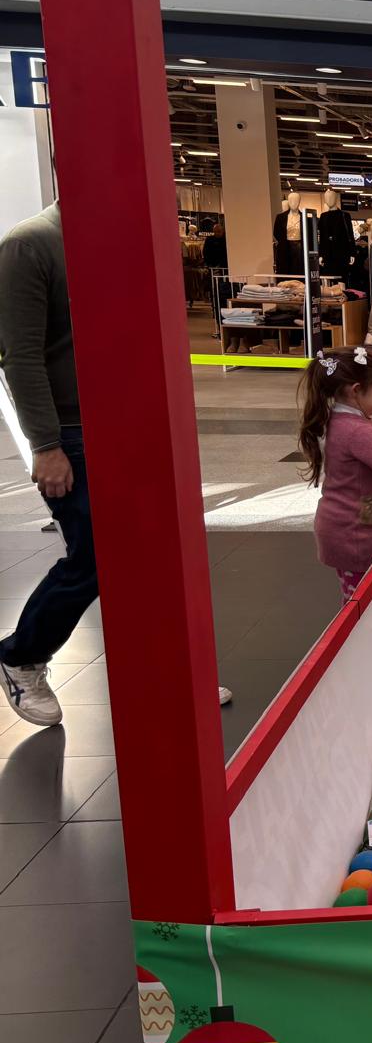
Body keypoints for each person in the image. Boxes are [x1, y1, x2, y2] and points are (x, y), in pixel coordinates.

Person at [0, 205, 234, 725]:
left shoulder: (125, 243)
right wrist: (44, 445)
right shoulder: (30, 245)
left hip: (132, 428)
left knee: (154, 556)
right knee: (95, 559)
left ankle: (169, 673)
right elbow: (20, 356)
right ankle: (22, 655)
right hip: (72, 433)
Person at [298, 346, 372, 599]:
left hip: (343, 527)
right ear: (355, 391)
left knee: (357, 597)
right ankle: (357, 638)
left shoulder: (340, 421)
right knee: (362, 603)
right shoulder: (357, 429)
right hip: (352, 533)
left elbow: (362, 461)